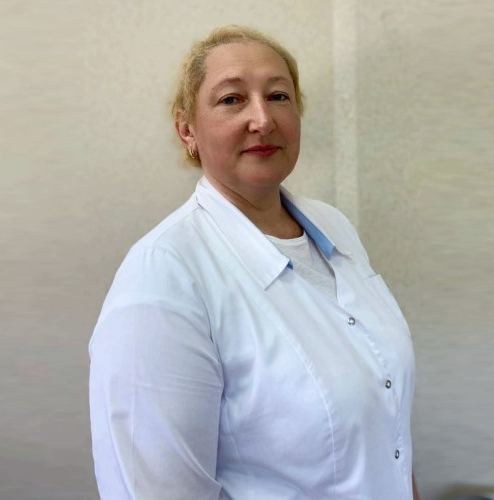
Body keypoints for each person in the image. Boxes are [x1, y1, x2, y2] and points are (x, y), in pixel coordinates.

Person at [89, 25, 418, 499]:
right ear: (187, 129)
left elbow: (389, 429)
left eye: (279, 96)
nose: (262, 120)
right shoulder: (163, 275)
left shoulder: (334, 227)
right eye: (231, 100)